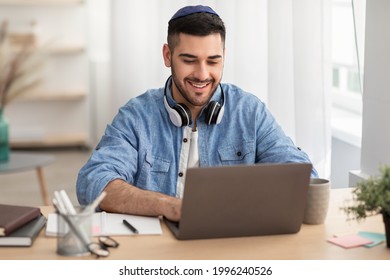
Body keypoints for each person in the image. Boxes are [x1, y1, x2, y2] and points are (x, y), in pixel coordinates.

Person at [76, 5, 317, 222]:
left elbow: (302, 175)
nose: (202, 74)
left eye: (213, 61)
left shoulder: (250, 111)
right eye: (189, 60)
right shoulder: (136, 115)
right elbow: (94, 182)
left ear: (224, 56)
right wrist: (172, 207)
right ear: (167, 56)